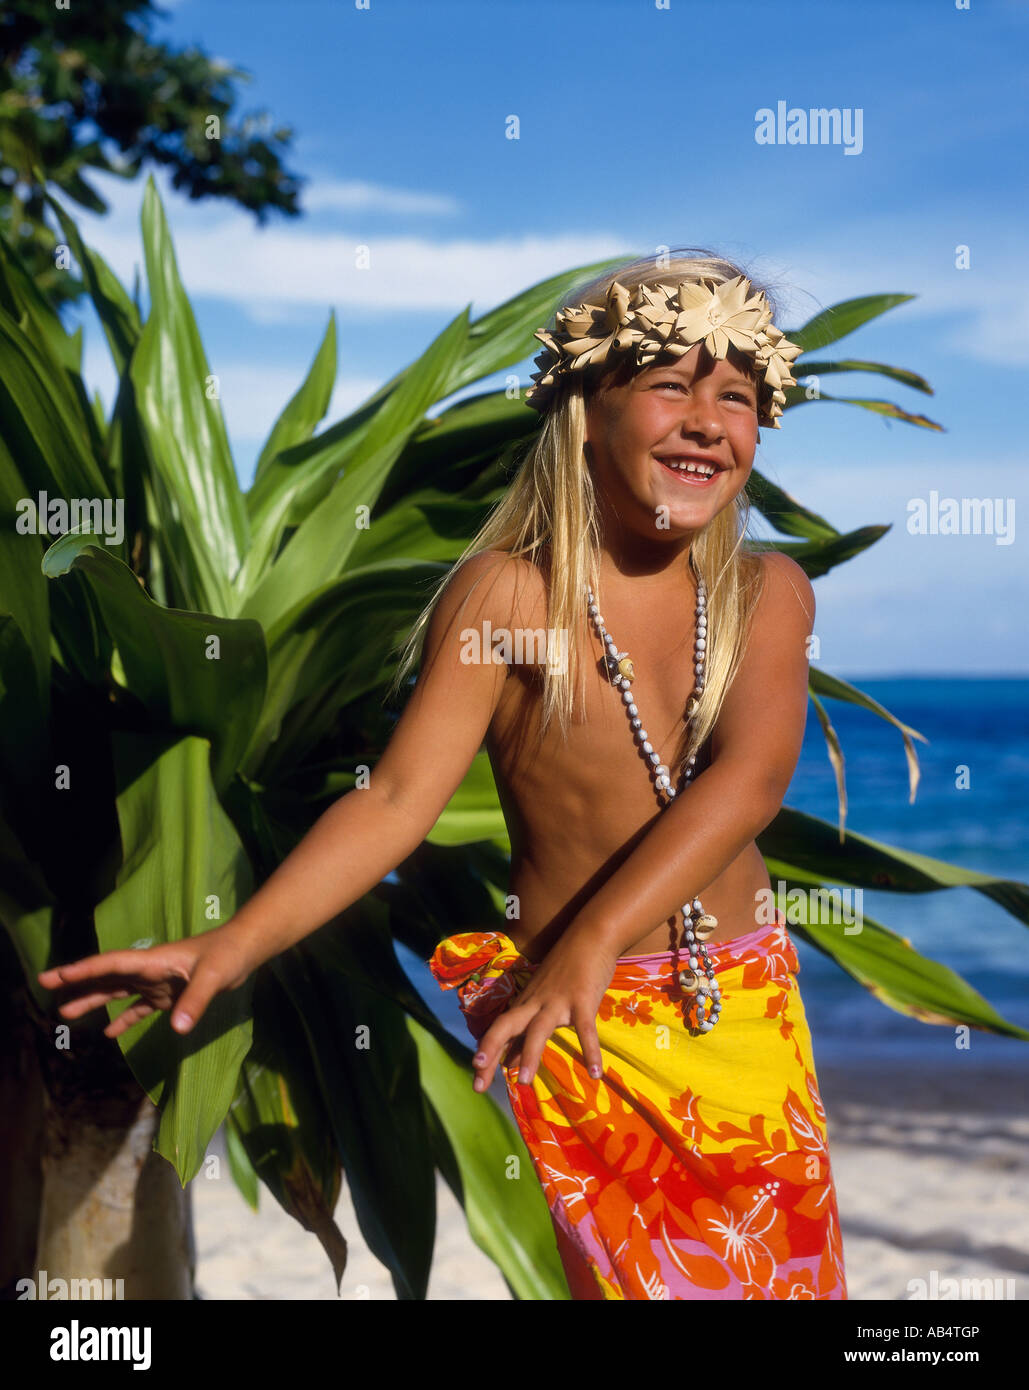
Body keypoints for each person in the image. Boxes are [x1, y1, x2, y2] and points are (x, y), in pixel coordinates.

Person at [39, 248, 847, 1301]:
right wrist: (231, 945)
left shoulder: (764, 590)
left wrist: (592, 942)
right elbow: (394, 803)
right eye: (666, 382)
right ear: (582, 410)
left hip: (744, 1011)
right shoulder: (504, 599)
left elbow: (749, 780)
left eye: (735, 395)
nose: (707, 418)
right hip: (579, 1026)